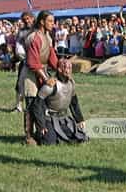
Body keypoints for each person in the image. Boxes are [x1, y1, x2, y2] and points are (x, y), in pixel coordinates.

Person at [29, 57, 88, 145]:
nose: (68, 71)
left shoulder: (71, 83)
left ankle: (58, 135)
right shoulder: (50, 86)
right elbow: (37, 105)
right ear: (59, 69)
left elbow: (74, 103)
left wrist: (80, 119)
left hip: (64, 118)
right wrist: (41, 125)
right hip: (49, 119)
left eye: (70, 68)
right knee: (48, 142)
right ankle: (37, 135)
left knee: (79, 138)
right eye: (66, 68)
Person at [24, 11, 58, 145]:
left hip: (42, 70)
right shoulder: (34, 37)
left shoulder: (47, 37)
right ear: (42, 22)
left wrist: (61, 68)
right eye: (50, 21)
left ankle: (41, 134)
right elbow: (33, 63)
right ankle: (28, 136)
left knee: (42, 104)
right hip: (31, 74)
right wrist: (46, 79)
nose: (52, 24)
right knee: (31, 104)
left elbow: (52, 57)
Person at [14, 12, 35, 113]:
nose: (26, 21)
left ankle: (42, 108)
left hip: (36, 62)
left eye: (28, 19)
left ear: (32, 18)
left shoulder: (37, 31)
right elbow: (18, 48)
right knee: (20, 84)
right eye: (24, 19)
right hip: (24, 61)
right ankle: (18, 106)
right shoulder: (21, 32)